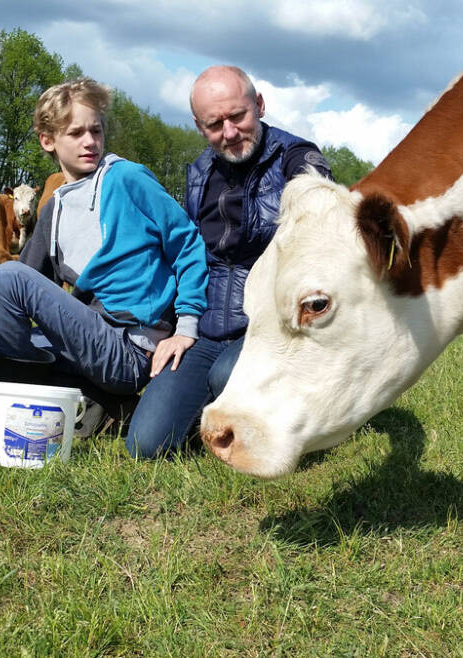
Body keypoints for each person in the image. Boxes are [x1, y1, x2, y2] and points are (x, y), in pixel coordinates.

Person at [0, 77, 208, 437]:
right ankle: (100, 406)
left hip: (130, 347)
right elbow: (17, 293)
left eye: (96, 130)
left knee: (6, 277)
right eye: (76, 133)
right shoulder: (55, 207)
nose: (90, 141)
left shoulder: (126, 178)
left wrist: (186, 328)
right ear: (48, 140)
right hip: (90, 341)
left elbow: (188, 243)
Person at [125, 66, 333, 458]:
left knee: (225, 376)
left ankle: (309, 406)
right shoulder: (199, 172)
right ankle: (219, 404)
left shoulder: (299, 160)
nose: (230, 132)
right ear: (199, 127)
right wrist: (176, 327)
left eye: (238, 116)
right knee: (145, 446)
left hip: (274, 326)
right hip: (206, 329)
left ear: (259, 104)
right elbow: (187, 255)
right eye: (215, 124)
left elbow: (318, 244)